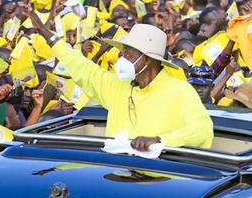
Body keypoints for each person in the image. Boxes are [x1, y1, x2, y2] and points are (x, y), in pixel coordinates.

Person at [27, 13, 213, 151]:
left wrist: (160, 140)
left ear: (147, 59)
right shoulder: (118, 86)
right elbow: (82, 68)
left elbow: (201, 131)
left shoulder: (180, 90)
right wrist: (46, 33)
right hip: (115, 176)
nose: (121, 59)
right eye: (122, 53)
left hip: (157, 181)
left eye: (128, 54)